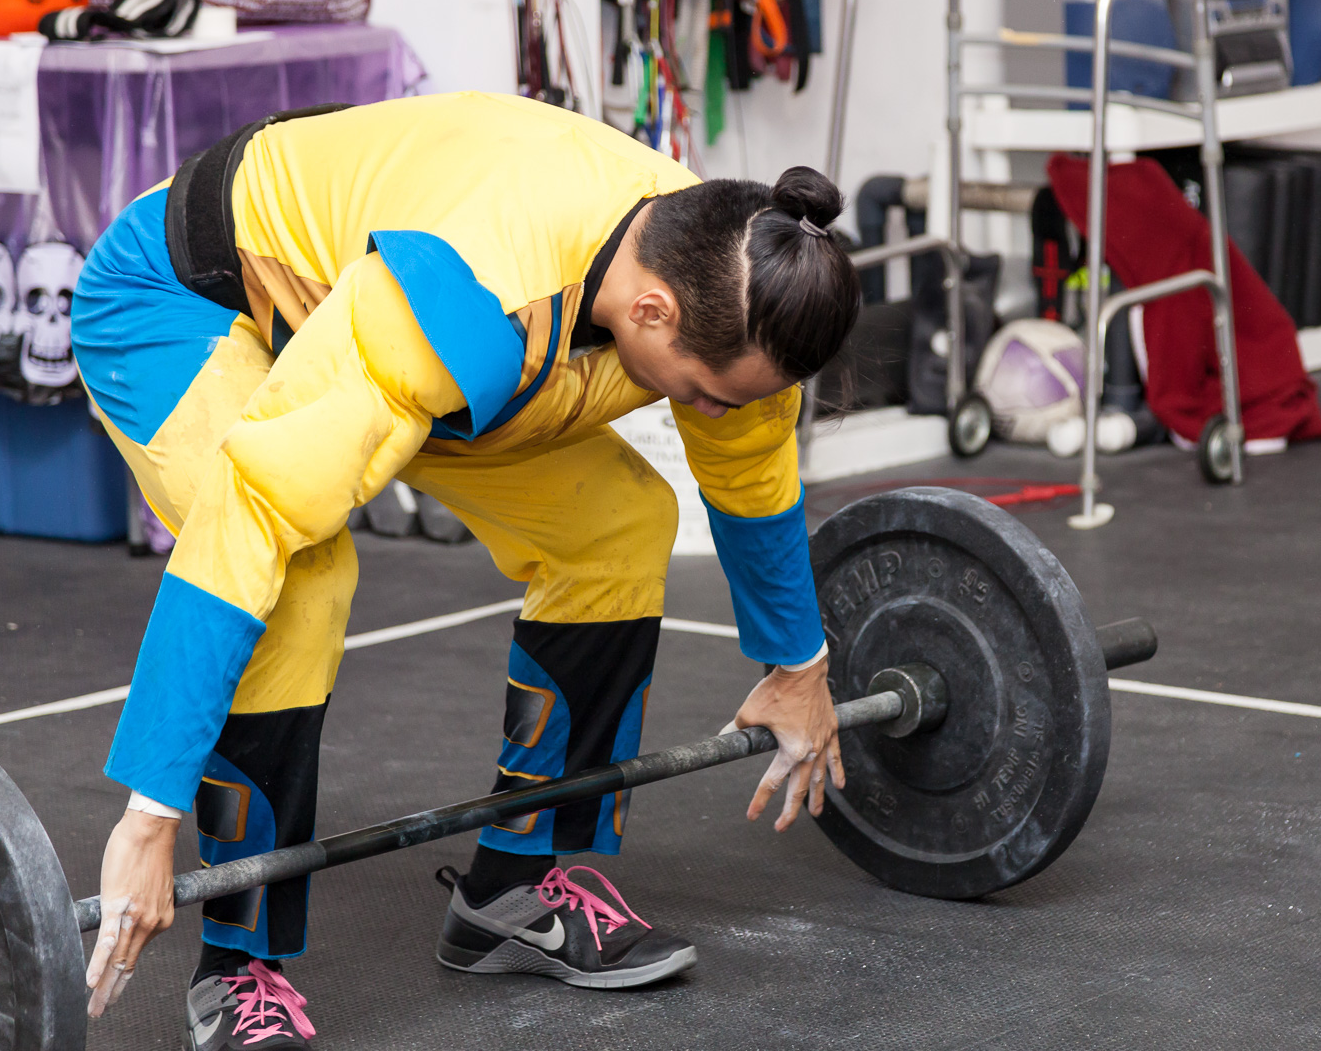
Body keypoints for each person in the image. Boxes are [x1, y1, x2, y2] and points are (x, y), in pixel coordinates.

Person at [71, 91, 860, 1049]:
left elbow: (752, 468)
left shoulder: (735, 270)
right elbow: (254, 517)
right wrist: (148, 815)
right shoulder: (465, 298)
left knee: (615, 525)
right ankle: (237, 972)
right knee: (303, 579)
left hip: (415, 345)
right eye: (704, 395)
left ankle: (514, 891)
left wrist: (798, 665)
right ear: (652, 313)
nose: (716, 414)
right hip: (189, 301)